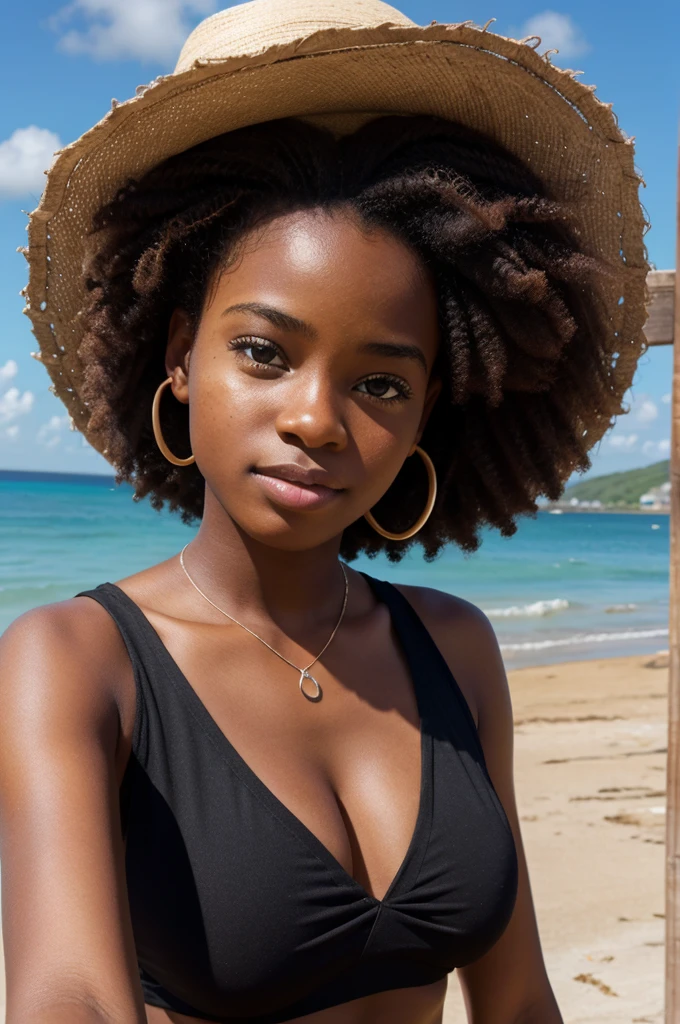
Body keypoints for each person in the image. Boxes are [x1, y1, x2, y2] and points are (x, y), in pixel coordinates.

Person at [0, 0, 649, 1021]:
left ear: (426, 408)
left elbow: (517, 1000)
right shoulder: (76, 661)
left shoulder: (454, 650)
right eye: (263, 352)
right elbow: (69, 997)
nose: (316, 419)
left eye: (379, 383)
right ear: (179, 357)